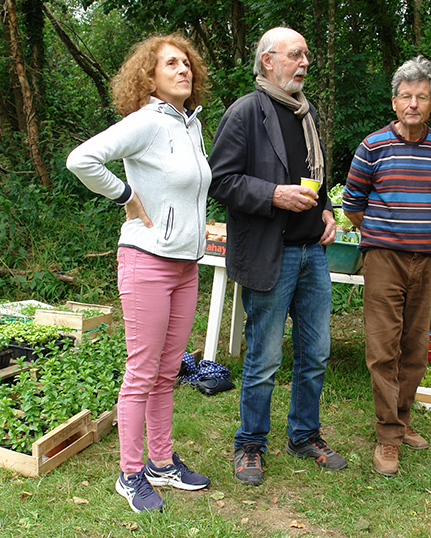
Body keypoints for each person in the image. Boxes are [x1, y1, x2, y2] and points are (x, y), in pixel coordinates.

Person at [66, 34, 212, 512]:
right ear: (149, 76)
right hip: (146, 261)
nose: (183, 69)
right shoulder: (146, 122)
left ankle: (161, 463)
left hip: (186, 266)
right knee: (142, 372)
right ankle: (130, 474)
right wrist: (125, 195)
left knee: (168, 371)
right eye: (170, 64)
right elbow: (81, 159)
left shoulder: (191, 125)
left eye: (186, 63)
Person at [208, 26, 347, 486]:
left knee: (316, 353)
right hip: (271, 255)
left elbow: (316, 178)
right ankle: (250, 444)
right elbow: (220, 181)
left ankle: (304, 436)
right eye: (295, 55)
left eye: (306, 54)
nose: (304, 62)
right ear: (268, 61)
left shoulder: (307, 113)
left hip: (312, 253)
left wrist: (326, 210)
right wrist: (273, 194)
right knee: (264, 358)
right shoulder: (245, 113)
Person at [342, 55, 431, 477]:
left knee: (414, 345)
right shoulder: (372, 146)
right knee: (382, 348)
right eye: (406, 96)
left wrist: (417, 233)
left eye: (421, 97)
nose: (413, 104)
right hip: (384, 260)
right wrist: (385, 235)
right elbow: (352, 204)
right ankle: (388, 436)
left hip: (428, 260)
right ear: (394, 102)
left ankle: (402, 418)